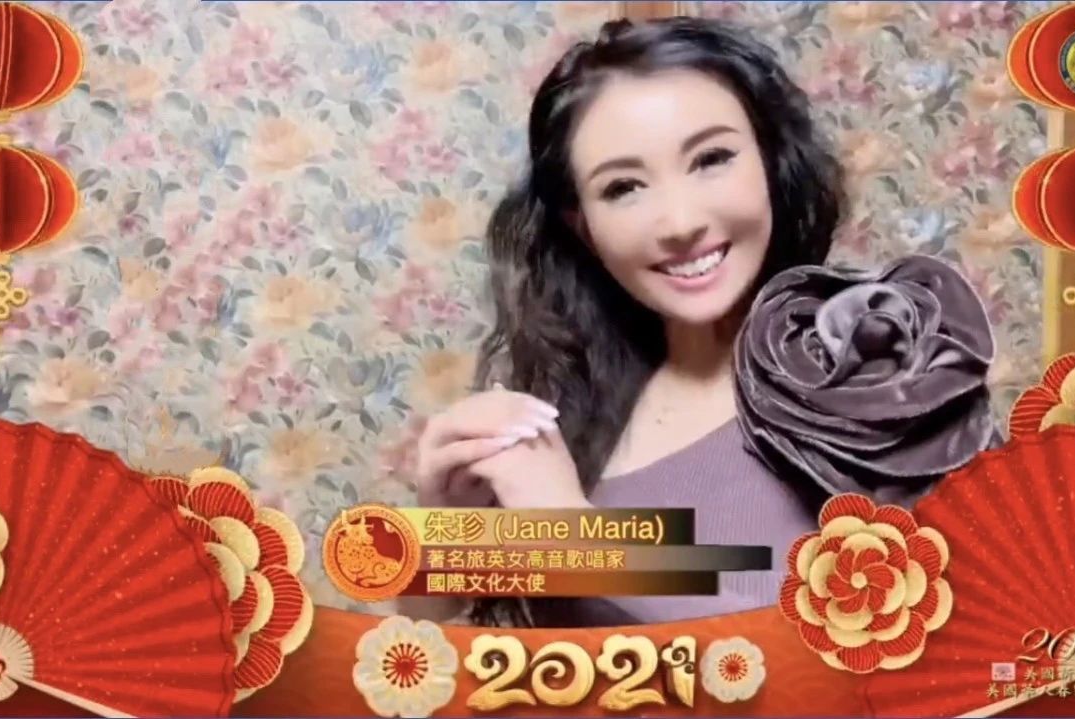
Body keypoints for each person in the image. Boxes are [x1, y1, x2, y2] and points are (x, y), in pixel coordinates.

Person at [401, 17, 995, 628]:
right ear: (584, 225)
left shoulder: (879, 359)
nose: (680, 221)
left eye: (712, 159)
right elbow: (422, 643)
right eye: (624, 187)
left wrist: (579, 539)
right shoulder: (573, 403)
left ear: (770, 161)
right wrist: (442, 535)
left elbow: (913, 640)